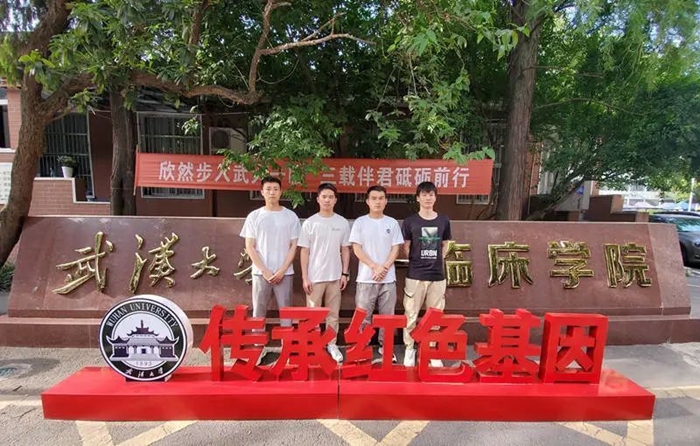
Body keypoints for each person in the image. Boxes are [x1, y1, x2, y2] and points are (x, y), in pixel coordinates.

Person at [240, 176, 300, 363]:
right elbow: (250, 246)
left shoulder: (290, 216)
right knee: (259, 312)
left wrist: (282, 270)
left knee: (286, 312)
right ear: (262, 192)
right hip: (260, 274)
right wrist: (265, 270)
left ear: (281, 192)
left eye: (275, 189)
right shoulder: (254, 216)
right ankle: (257, 349)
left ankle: (287, 350)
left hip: (285, 273)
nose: (272, 192)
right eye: (268, 189)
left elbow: (294, 246)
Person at [349, 185, 404, 362]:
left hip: (388, 278)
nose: (377, 202)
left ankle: (386, 349)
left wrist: (384, 267)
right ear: (367, 201)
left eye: (381, 198)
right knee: (363, 316)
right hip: (366, 278)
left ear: (386, 201)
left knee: (387, 317)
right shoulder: (360, 222)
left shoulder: (392, 223)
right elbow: (356, 249)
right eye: (374, 198)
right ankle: (361, 347)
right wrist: (374, 266)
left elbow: (396, 248)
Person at [298, 183, 351, 363]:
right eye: (324, 196)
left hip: (335, 277)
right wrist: (305, 277)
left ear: (335, 200)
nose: (327, 200)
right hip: (315, 277)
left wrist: (344, 273)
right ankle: (313, 345)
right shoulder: (310, 223)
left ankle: (331, 344)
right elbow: (304, 251)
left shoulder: (342, 223)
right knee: (312, 315)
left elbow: (345, 249)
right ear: (318, 199)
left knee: (333, 315)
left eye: (331, 197)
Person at [401, 181, 452, 367]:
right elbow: (406, 247)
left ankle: (431, 351)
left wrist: (439, 258)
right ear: (418, 198)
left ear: (435, 197)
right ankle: (409, 349)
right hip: (415, 275)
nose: (428, 198)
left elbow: (446, 243)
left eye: (431, 194)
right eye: (424, 194)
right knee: (411, 314)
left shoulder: (443, 220)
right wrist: (417, 260)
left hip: (437, 276)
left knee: (434, 316)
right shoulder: (410, 222)